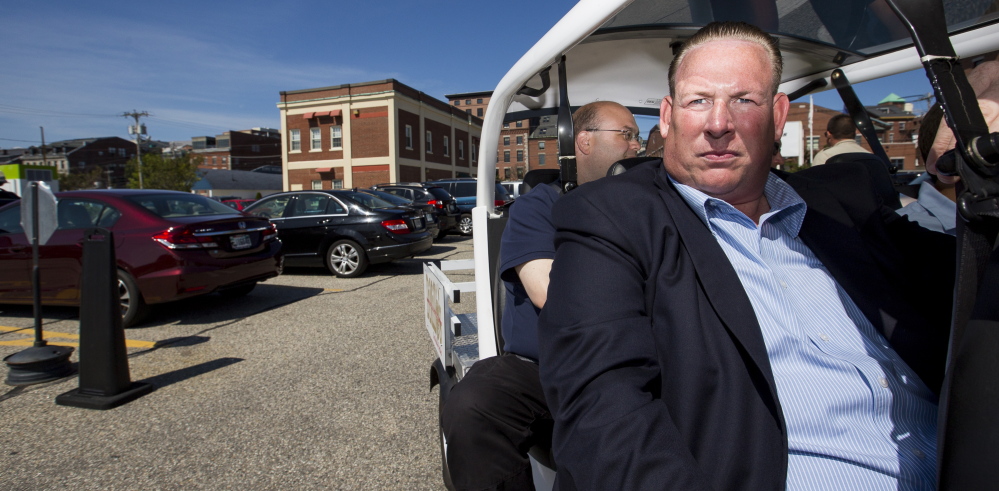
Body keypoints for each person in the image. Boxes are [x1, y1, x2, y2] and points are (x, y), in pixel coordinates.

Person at [538, 21, 955, 490]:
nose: (719, 123)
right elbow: (601, 410)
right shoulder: (611, 217)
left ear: (778, 115)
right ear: (669, 116)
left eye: (743, 100)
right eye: (699, 100)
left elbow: (967, 278)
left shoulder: (845, 203)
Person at [440, 101, 640, 491]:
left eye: (637, 137)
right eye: (626, 135)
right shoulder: (541, 207)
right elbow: (549, 293)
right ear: (583, 141)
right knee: (474, 404)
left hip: (636, 363)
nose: (636, 147)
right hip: (548, 368)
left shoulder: (647, 203)